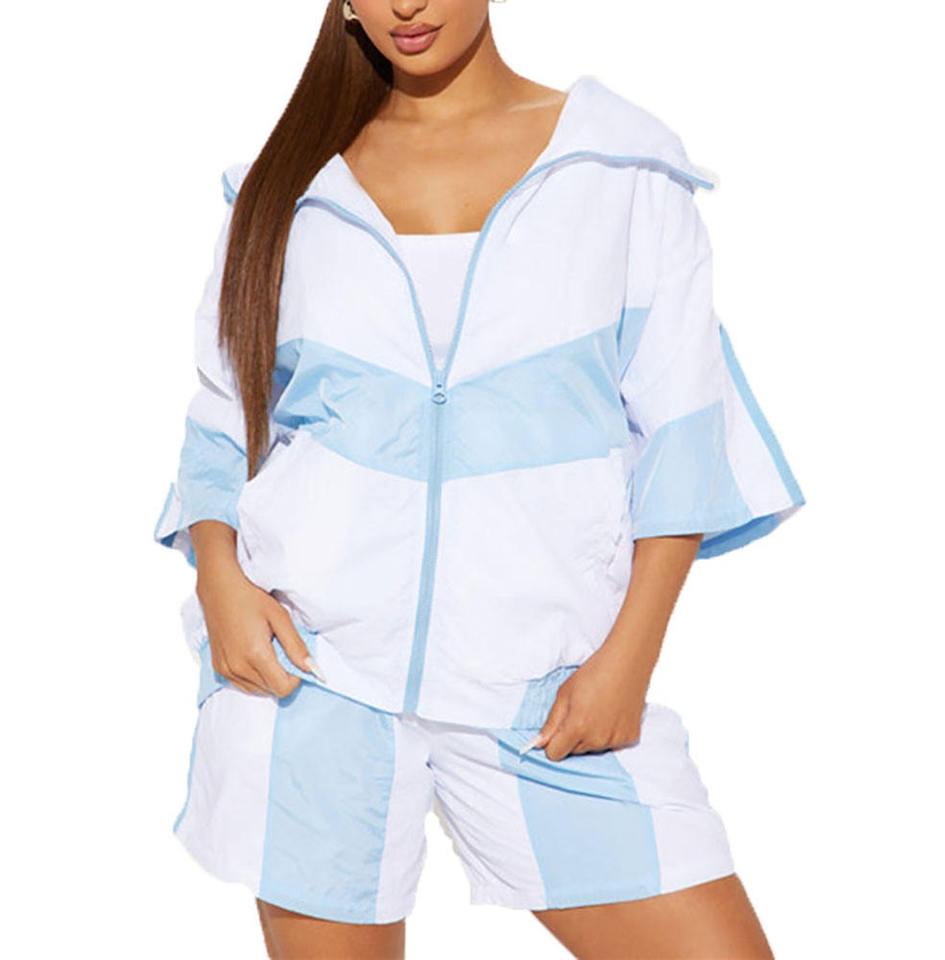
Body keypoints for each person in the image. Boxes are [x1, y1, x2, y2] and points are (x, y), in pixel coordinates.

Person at [153, 1, 805, 956]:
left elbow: (683, 431)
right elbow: (223, 415)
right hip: (313, 683)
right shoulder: (287, 186)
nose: (404, 5)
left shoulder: (617, 168)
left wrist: (629, 660)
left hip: (545, 689)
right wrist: (219, 578)